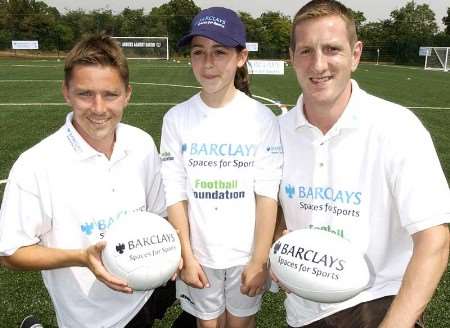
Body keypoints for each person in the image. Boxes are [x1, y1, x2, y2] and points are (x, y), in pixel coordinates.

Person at [274, 1, 450, 327]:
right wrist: (278, 253)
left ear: (355, 55)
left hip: (378, 305)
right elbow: (272, 209)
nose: (318, 64)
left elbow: (435, 240)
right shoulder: (276, 133)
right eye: (306, 51)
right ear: (291, 57)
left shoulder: (398, 128)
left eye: (332, 49)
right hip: (302, 313)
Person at [0, 34, 176, 328]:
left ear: (127, 94)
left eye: (110, 94)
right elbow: (11, 252)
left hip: (145, 294)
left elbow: (159, 214)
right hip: (89, 318)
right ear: (66, 92)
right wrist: (81, 257)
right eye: (85, 94)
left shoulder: (142, 143)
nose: (98, 108)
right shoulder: (36, 164)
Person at [160, 7, 283, 328]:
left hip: (246, 256)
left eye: (220, 52)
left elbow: (267, 194)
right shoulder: (176, 118)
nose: (208, 63)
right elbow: (174, 193)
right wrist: (186, 256)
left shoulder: (262, 119)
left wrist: (259, 259)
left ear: (241, 57)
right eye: (198, 52)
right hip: (199, 256)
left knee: (242, 324)